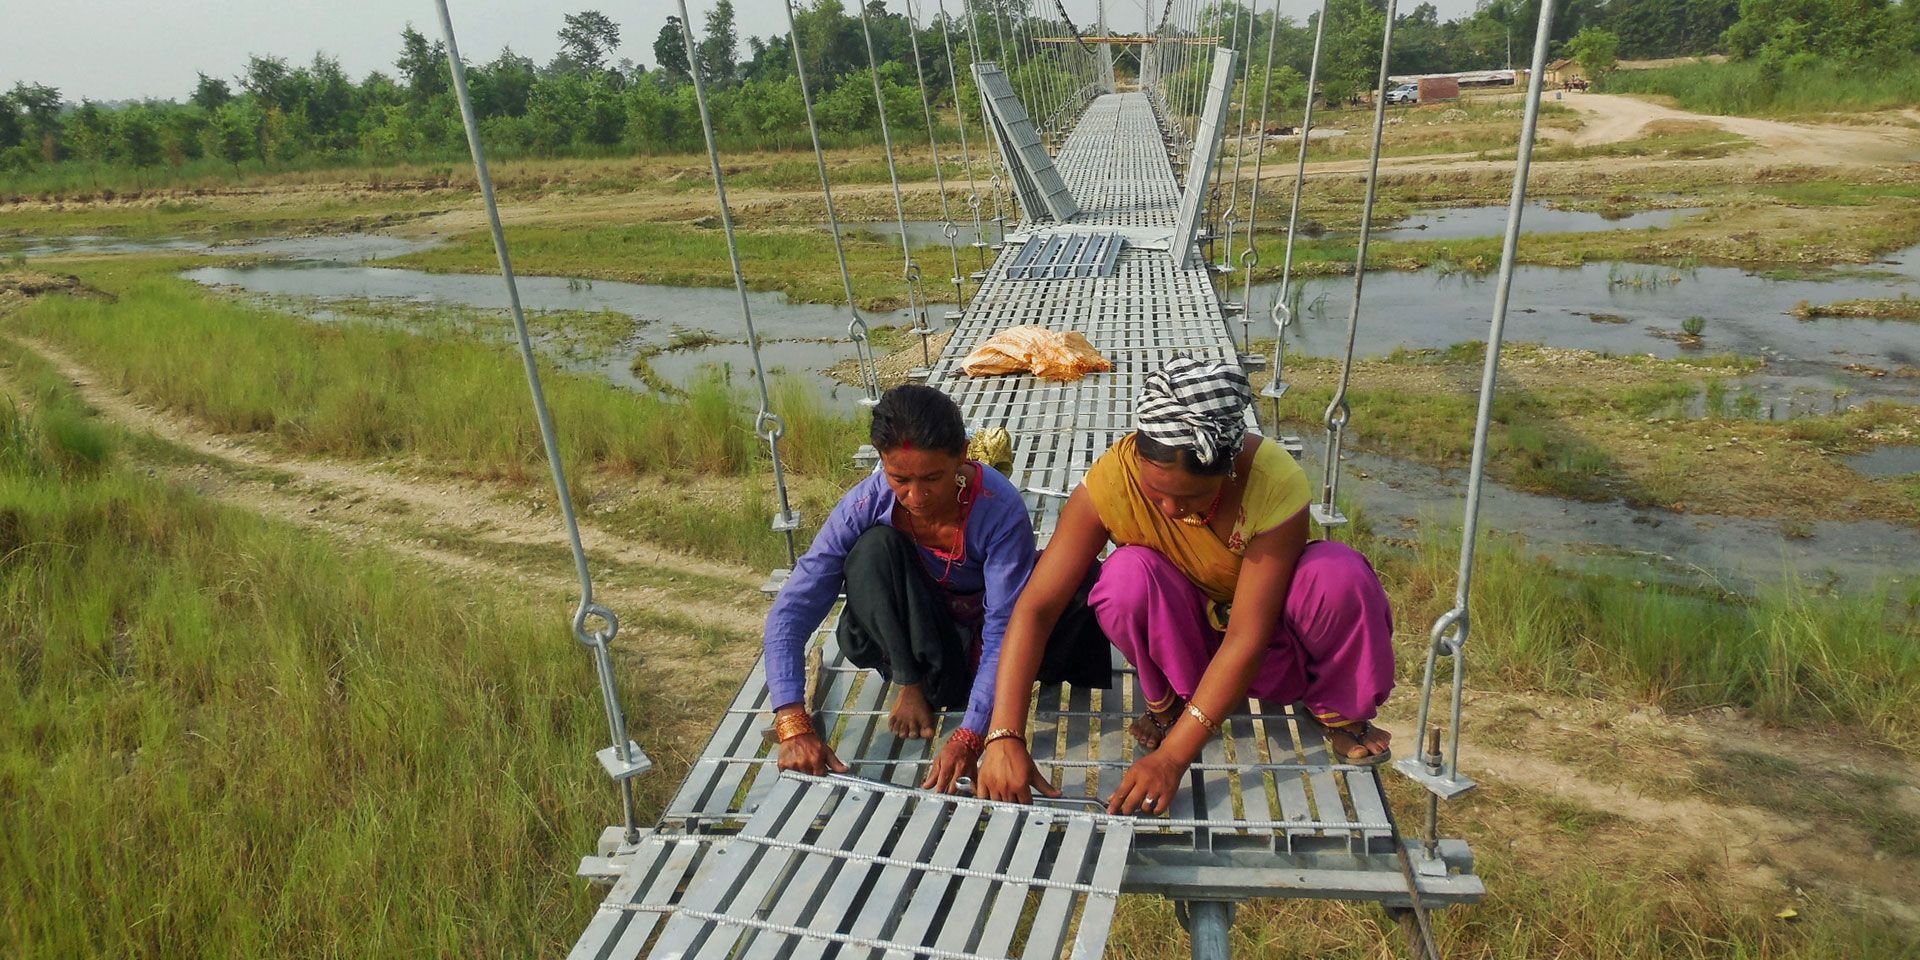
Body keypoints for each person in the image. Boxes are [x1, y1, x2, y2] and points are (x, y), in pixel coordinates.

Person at [976, 356, 1396, 814]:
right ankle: (1171, 704)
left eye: (1192, 496)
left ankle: (1338, 708)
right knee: (1124, 578)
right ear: (1138, 455)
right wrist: (1004, 733)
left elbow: (1247, 637)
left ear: (1229, 469)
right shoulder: (1115, 481)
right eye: (1157, 495)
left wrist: (1173, 758)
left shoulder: (1273, 483)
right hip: (1186, 647)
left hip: (1268, 645)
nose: (1172, 509)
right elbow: (1036, 606)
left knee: (1337, 574)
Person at [763, 384, 1107, 792]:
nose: (916, 496)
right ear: (881, 461)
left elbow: (1004, 628)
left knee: (1079, 578)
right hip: (922, 638)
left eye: (932, 478)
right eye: (899, 478)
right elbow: (793, 607)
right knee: (872, 551)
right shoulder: (866, 503)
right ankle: (913, 683)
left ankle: (966, 692)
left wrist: (972, 733)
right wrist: (792, 720)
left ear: (962, 455)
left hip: (985, 637)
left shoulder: (999, 508)